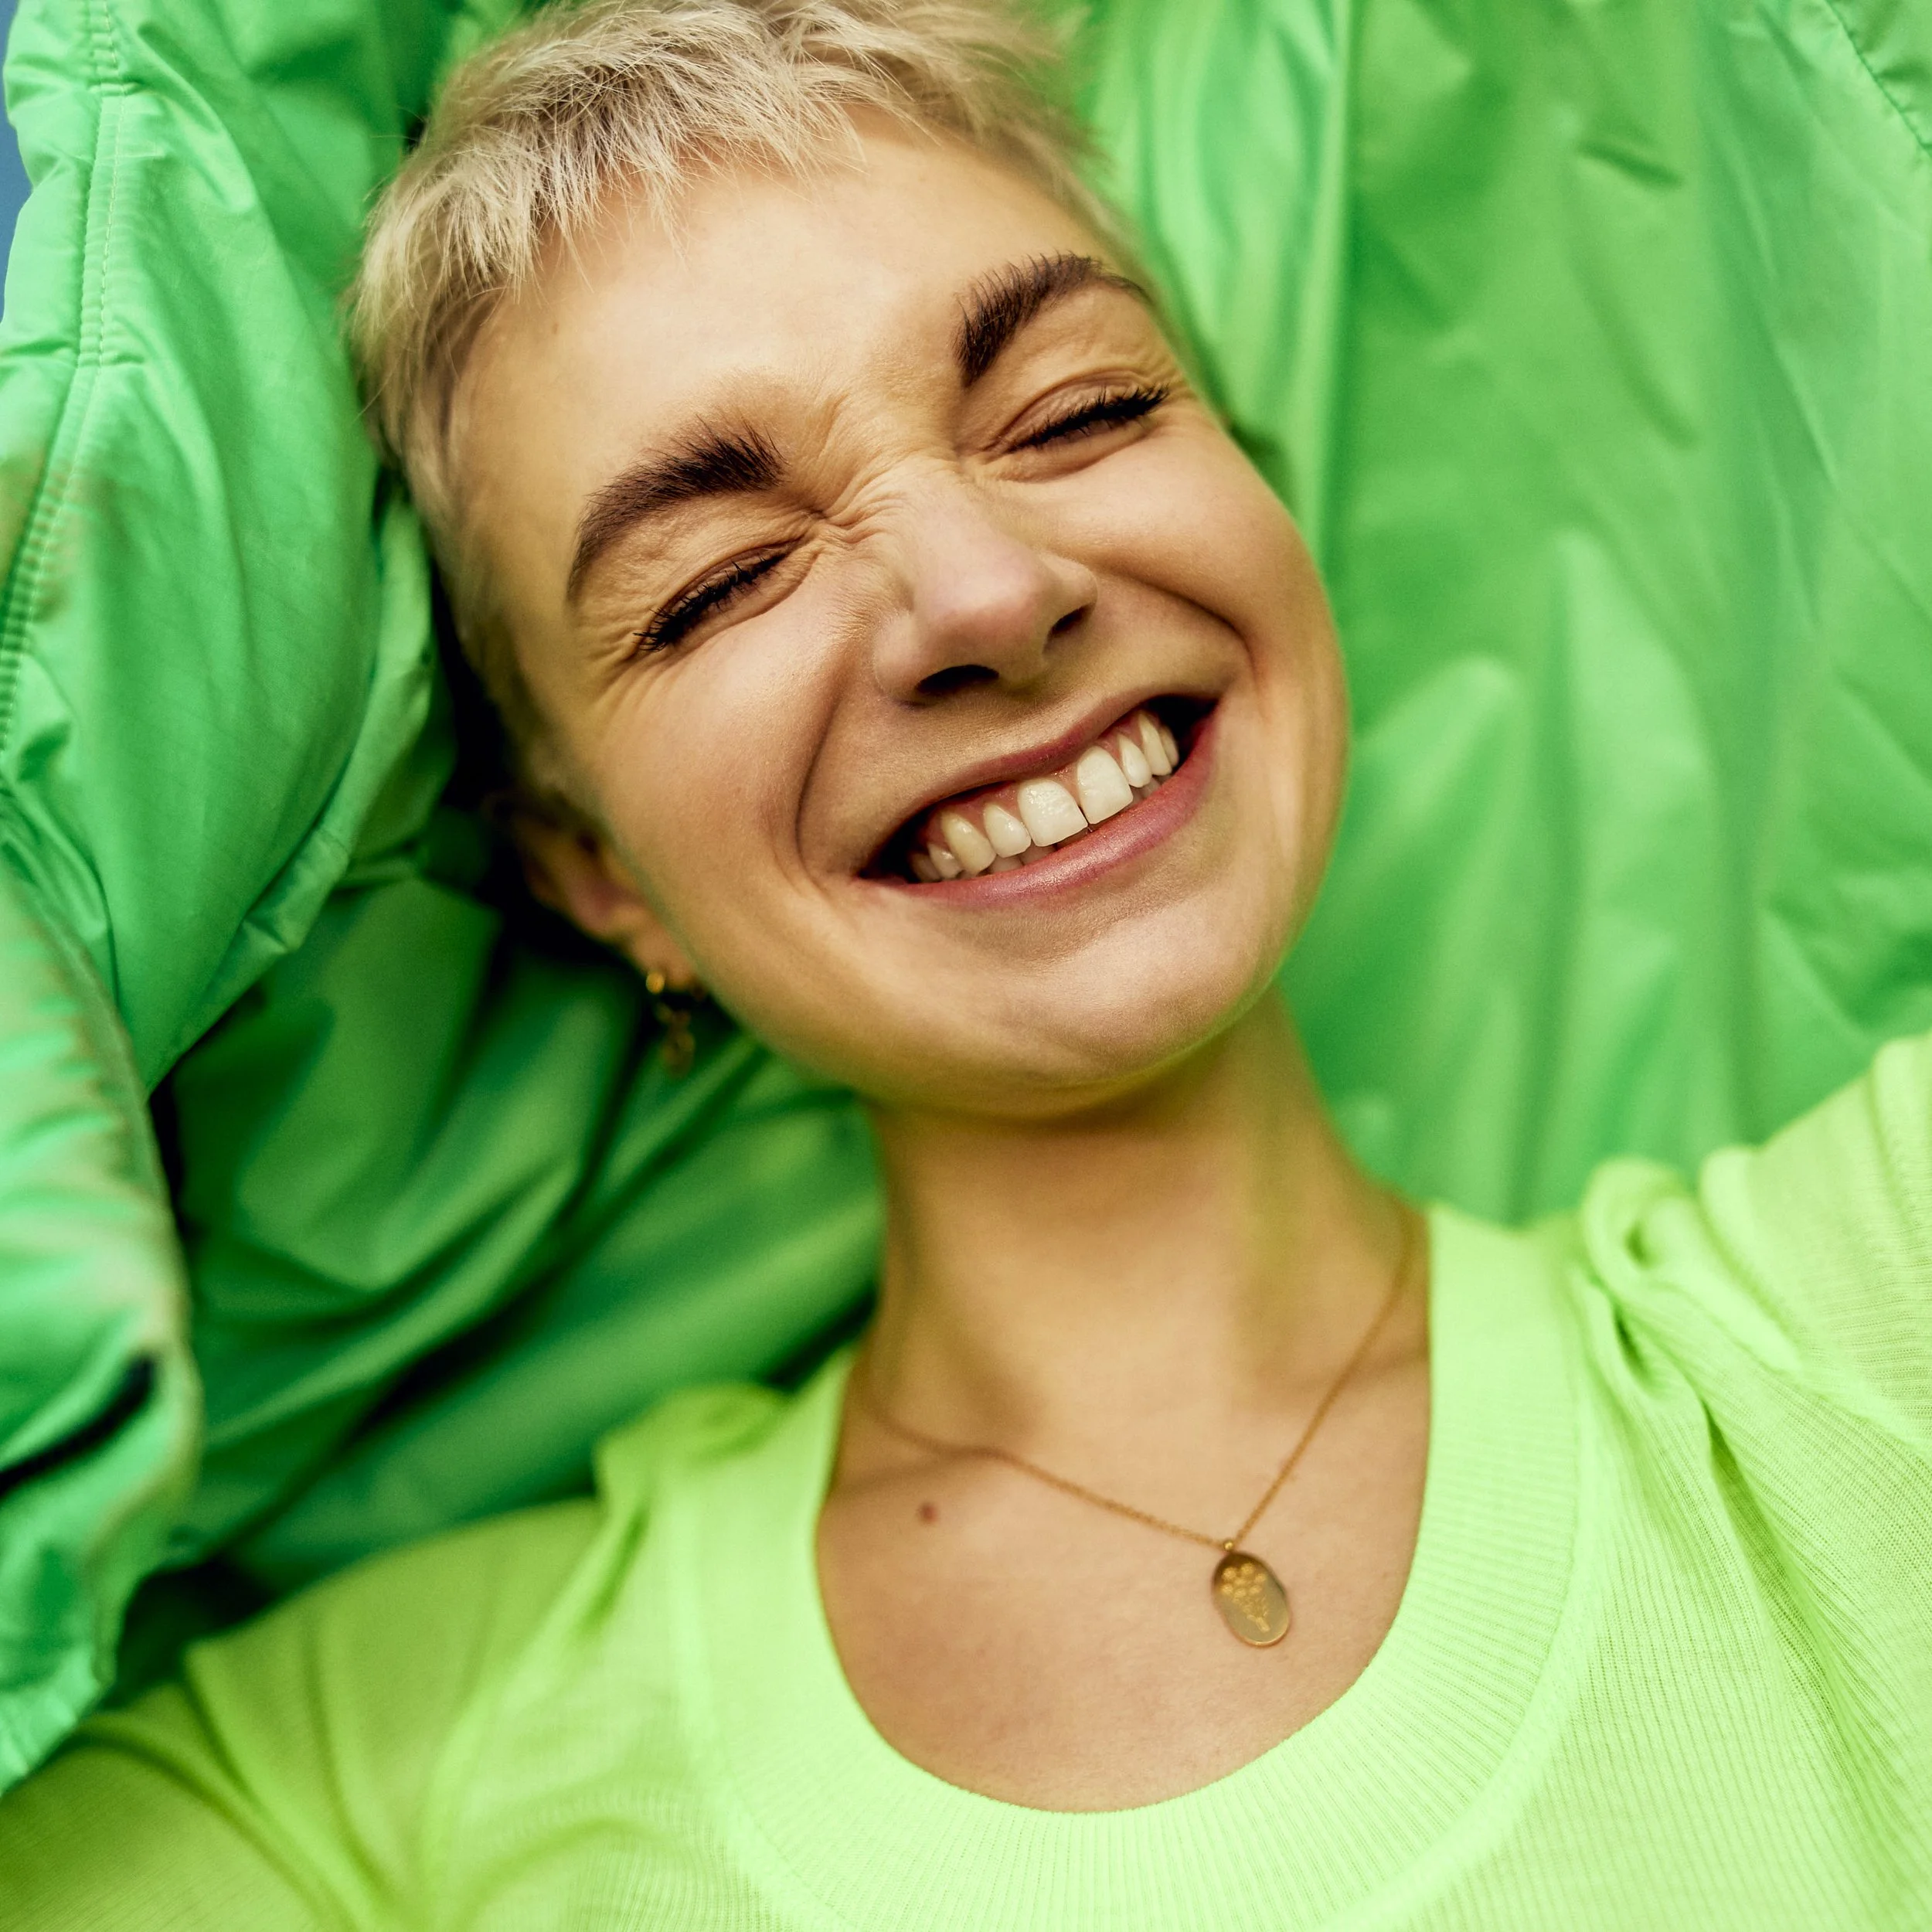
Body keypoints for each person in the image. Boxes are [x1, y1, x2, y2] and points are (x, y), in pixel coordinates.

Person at [0, 0, 1925, 1923]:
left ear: (1260, 499)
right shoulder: (356, 1778)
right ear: (596, 871)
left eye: (1078, 409)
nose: (990, 594)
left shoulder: (1874, 1300)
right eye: (720, 581)